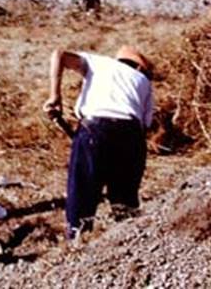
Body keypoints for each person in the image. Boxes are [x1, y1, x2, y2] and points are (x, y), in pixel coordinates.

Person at [42, 44, 154, 242]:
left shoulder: (99, 63)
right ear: (139, 67)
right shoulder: (144, 81)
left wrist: (55, 96)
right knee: (125, 199)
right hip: (131, 136)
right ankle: (130, 243)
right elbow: (145, 126)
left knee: (82, 192)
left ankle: (77, 243)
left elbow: (58, 53)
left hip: (94, 129)